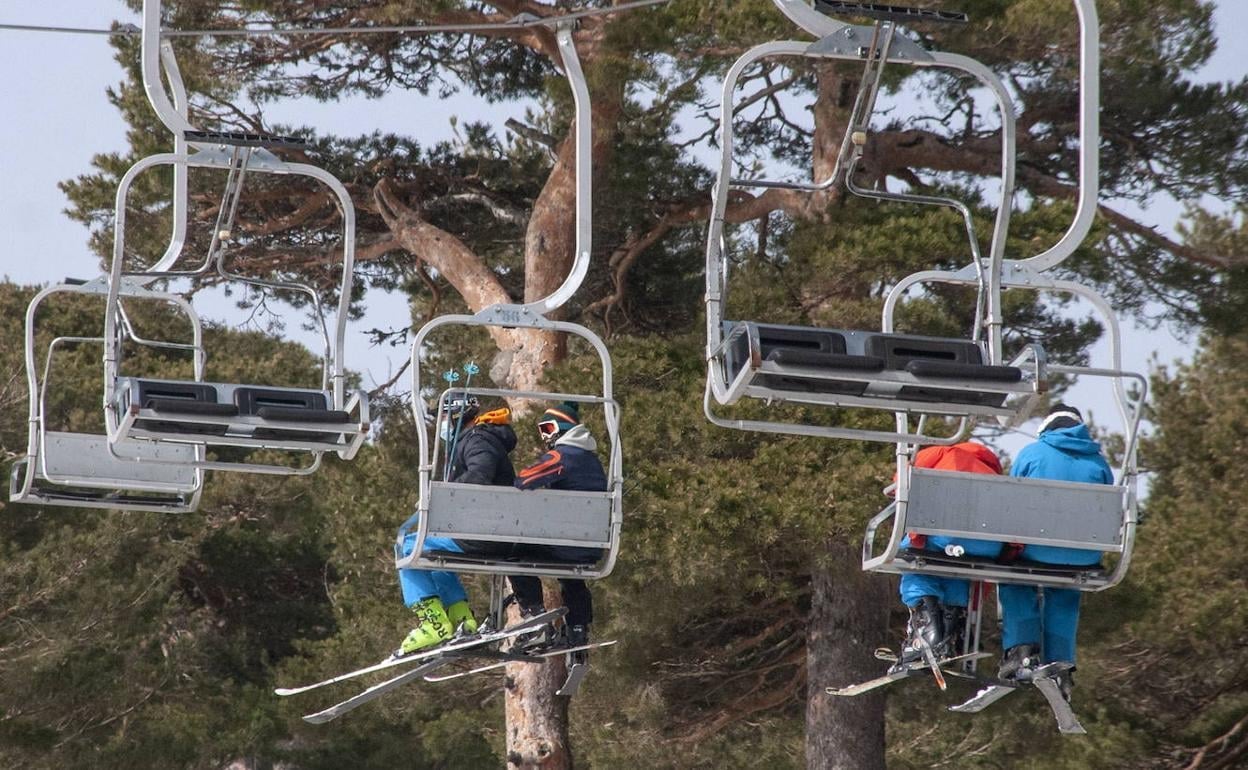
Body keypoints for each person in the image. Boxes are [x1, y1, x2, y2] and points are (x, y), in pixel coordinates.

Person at [997, 404, 1114, 698]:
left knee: (1015, 581)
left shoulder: (1032, 454)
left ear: (1046, 427)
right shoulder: (1099, 464)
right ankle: (1060, 663)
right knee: (1065, 590)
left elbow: (1011, 500)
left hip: (1037, 549)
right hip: (1083, 555)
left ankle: (1022, 650)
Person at [395, 395, 517, 655]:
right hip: (487, 530)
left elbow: (480, 474)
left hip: (486, 533)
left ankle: (433, 622)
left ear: (455, 415)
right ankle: (461, 618)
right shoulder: (472, 441)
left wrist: (443, 493)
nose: (439, 424)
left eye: (441, 417)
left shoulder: (478, 440)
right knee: (432, 551)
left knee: (407, 545)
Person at [891, 441, 1004, 670]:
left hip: (947, 533)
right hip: (989, 545)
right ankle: (950, 629)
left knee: (913, 554)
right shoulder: (993, 472)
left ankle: (926, 628)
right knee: (959, 568)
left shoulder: (942, 453)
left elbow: (901, 481)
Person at [508, 402, 608, 648]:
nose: (545, 436)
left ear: (561, 427)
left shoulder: (564, 455)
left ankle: (535, 617)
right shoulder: (591, 459)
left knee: (514, 553)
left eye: (547, 428)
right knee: (571, 574)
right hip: (590, 544)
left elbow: (525, 479)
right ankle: (577, 626)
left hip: (566, 543)